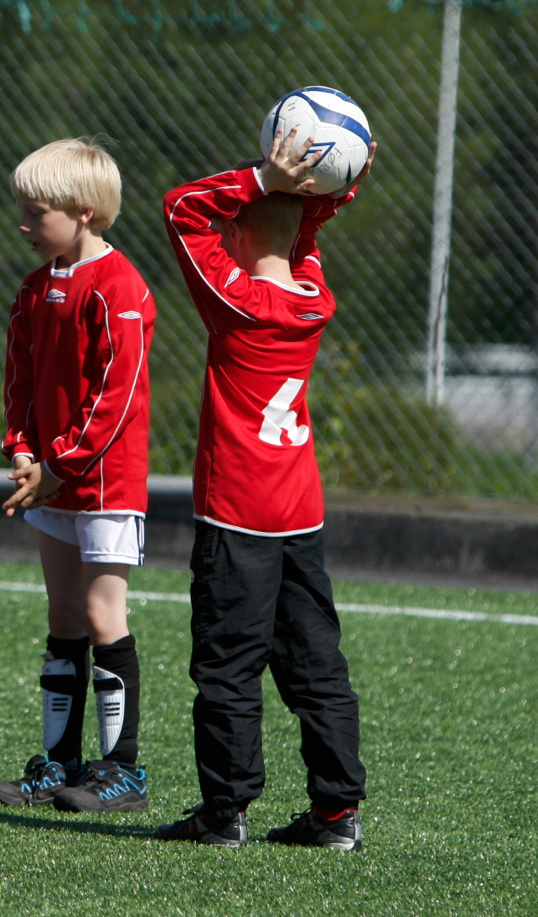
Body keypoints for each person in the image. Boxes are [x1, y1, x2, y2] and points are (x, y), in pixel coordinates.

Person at [153, 128, 375, 850]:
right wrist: (336, 189)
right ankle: (336, 813)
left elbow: (181, 209)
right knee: (317, 667)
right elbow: (296, 237)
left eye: (232, 227)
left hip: (236, 513)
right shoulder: (313, 294)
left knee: (226, 666)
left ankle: (223, 812)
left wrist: (257, 175)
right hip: (297, 513)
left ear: (241, 229)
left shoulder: (234, 298)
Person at [0, 137, 154, 814]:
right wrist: (23, 451)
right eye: (21, 210)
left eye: (36, 212)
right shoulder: (33, 288)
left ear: (83, 212)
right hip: (52, 476)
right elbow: (19, 382)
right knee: (61, 615)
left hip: (102, 481)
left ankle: (122, 770)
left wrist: (58, 466)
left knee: (99, 611)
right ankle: (60, 762)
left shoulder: (120, 288)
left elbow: (114, 397)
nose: (23, 224)